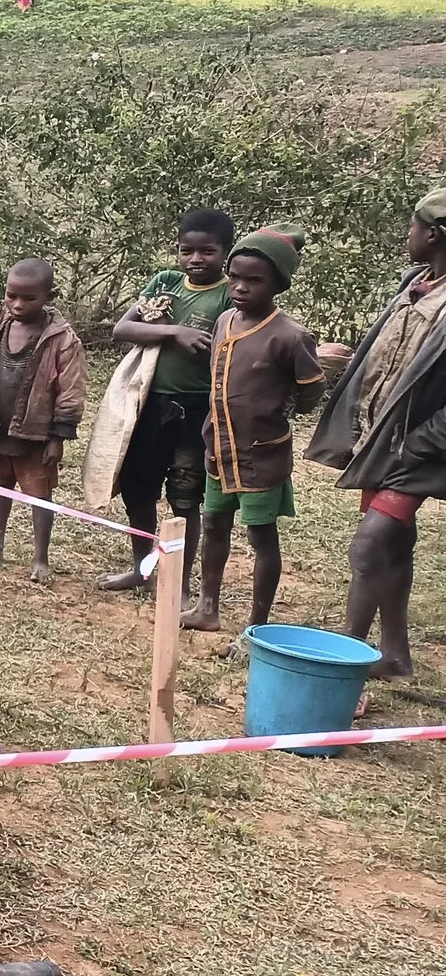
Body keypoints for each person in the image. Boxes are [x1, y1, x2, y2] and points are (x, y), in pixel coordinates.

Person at [307, 189, 446, 679]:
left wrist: (418, 443)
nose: (407, 235)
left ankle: (345, 663)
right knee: (395, 543)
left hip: (420, 451)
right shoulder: (418, 283)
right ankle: (394, 654)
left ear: (432, 234)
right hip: (384, 441)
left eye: (413, 226)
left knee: (369, 545)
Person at [185, 228, 325, 634]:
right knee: (213, 523)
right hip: (218, 449)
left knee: (261, 536)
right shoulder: (225, 320)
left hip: (260, 455)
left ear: (278, 284)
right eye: (235, 277)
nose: (241, 287)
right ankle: (206, 606)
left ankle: (256, 626)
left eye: (254, 280)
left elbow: (311, 386)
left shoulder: (290, 336)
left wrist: (286, 410)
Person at [98, 209, 235, 596]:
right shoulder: (167, 283)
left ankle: (178, 583)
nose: (195, 259)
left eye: (207, 251)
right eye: (186, 250)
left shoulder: (230, 295)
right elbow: (122, 328)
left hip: (198, 412)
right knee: (138, 490)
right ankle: (142, 571)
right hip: (150, 404)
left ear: (225, 252)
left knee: (185, 497)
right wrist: (175, 331)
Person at [0, 257, 85, 583]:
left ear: (49, 296)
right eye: (11, 296)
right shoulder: (0, 325)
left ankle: (40, 558)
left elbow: (71, 391)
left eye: (29, 298)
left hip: (35, 432)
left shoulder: (61, 339)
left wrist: (58, 436)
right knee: (0, 486)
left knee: (39, 494)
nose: (17, 305)